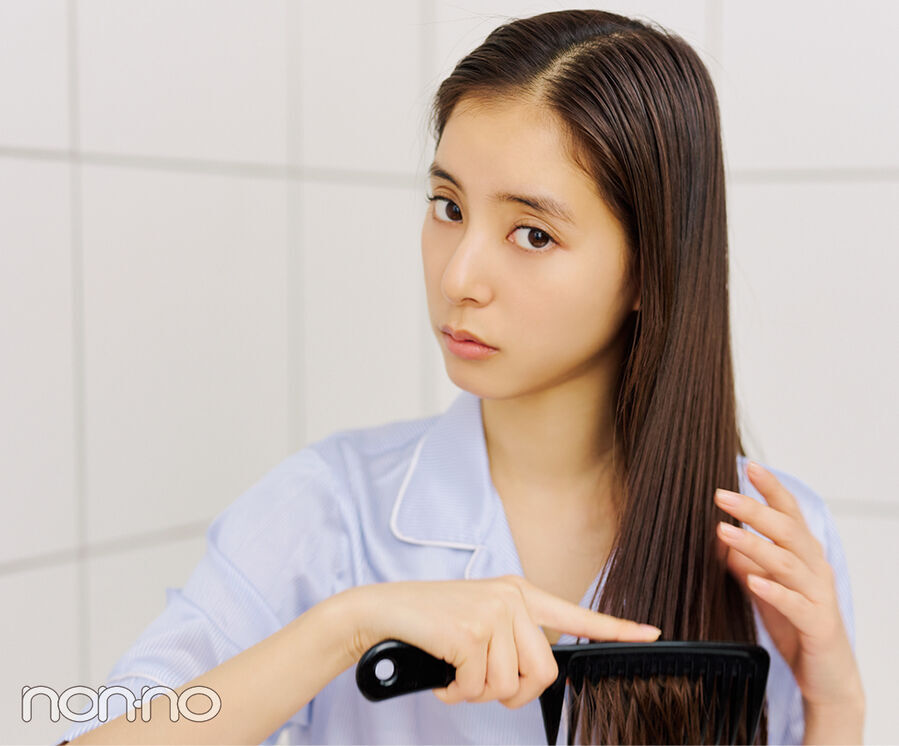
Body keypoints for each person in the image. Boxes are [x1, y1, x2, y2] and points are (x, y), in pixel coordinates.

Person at [58, 9, 864, 745]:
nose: (459, 277)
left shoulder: (771, 547)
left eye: (531, 233)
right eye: (448, 207)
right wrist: (347, 626)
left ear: (651, 269)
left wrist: (835, 704)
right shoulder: (325, 513)